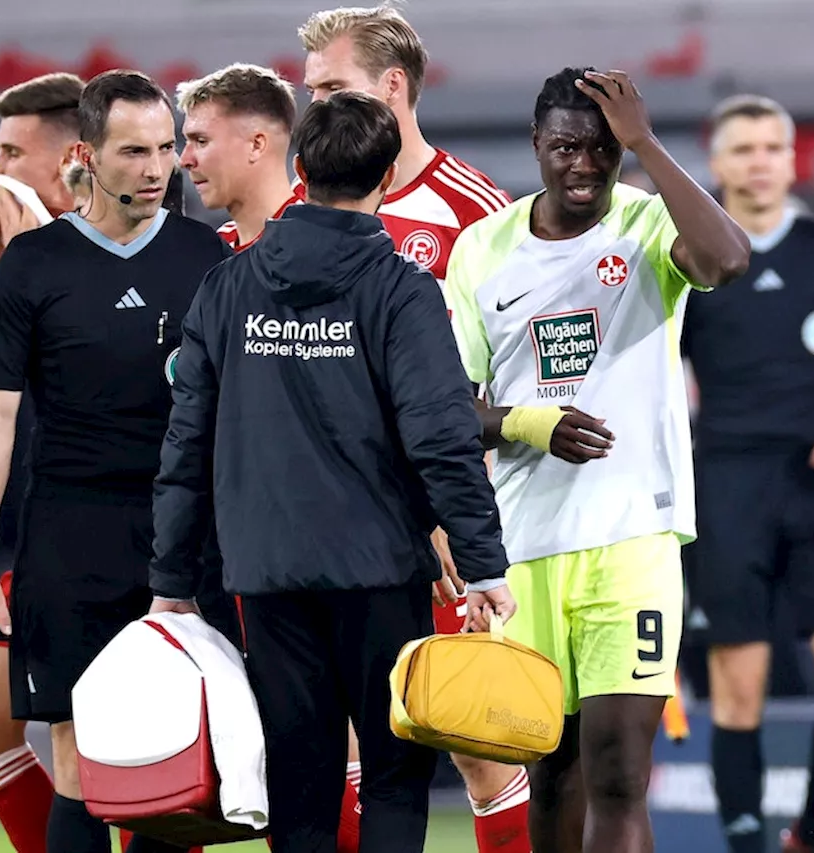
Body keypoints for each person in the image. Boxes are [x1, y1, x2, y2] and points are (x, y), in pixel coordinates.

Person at [148, 90, 514, 853]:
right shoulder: (400, 290)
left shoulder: (230, 285)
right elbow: (442, 437)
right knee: (391, 773)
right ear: (386, 179)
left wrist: (171, 582)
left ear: (301, 167)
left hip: (267, 574)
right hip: (379, 570)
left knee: (300, 775)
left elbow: (186, 444)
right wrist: (483, 564)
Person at [445, 65, 750, 853]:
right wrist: (526, 422)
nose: (584, 166)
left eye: (602, 149)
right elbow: (446, 412)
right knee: (551, 771)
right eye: (565, 148)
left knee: (618, 770)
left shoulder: (647, 225)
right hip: (525, 548)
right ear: (536, 145)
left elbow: (725, 260)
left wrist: (644, 139)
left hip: (633, 538)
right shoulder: (484, 248)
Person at [0, 69, 235, 853]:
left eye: (167, 149)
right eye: (134, 151)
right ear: (87, 153)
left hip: (183, 537)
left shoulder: (208, 256)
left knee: (175, 761)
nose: (155, 168)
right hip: (69, 537)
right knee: (77, 758)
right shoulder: (33, 265)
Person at [297, 7, 523, 849]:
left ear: (392, 87)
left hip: (449, 530)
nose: (312, 103)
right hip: (335, 524)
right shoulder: (302, 200)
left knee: (480, 741)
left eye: (331, 87)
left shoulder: (478, 211)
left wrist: (452, 516)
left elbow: (505, 383)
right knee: (348, 738)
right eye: (308, 88)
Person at [678, 94, 814, 853]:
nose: (760, 161)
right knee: (739, 699)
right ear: (717, 163)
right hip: (727, 489)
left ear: (790, 156)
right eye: (743, 149)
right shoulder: (692, 255)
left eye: (773, 147)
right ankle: (746, 844)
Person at [0, 70, 83, 853]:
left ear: (68, 154)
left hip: (122, 525)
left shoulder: (116, 233)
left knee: (112, 743)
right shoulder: (30, 255)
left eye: (9, 152)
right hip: (42, 525)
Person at [176, 63, 303, 251]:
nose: (184, 160)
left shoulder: (317, 245)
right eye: (187, 142)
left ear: (255, 146)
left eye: (201, 141)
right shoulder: (213, 251)